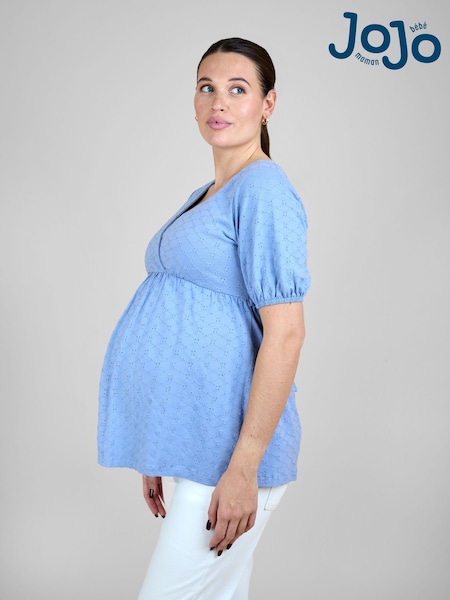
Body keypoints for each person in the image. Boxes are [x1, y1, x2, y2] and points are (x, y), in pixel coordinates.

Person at [98, 37, 310, 599]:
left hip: (228, 461)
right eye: (207, 87)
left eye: (238, 89)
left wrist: (244, 467)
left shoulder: (263, 189)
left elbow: (286, 333)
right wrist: (160, 440)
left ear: (267, 104)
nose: (219, 102)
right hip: (196, 448)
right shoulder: (209, 192)